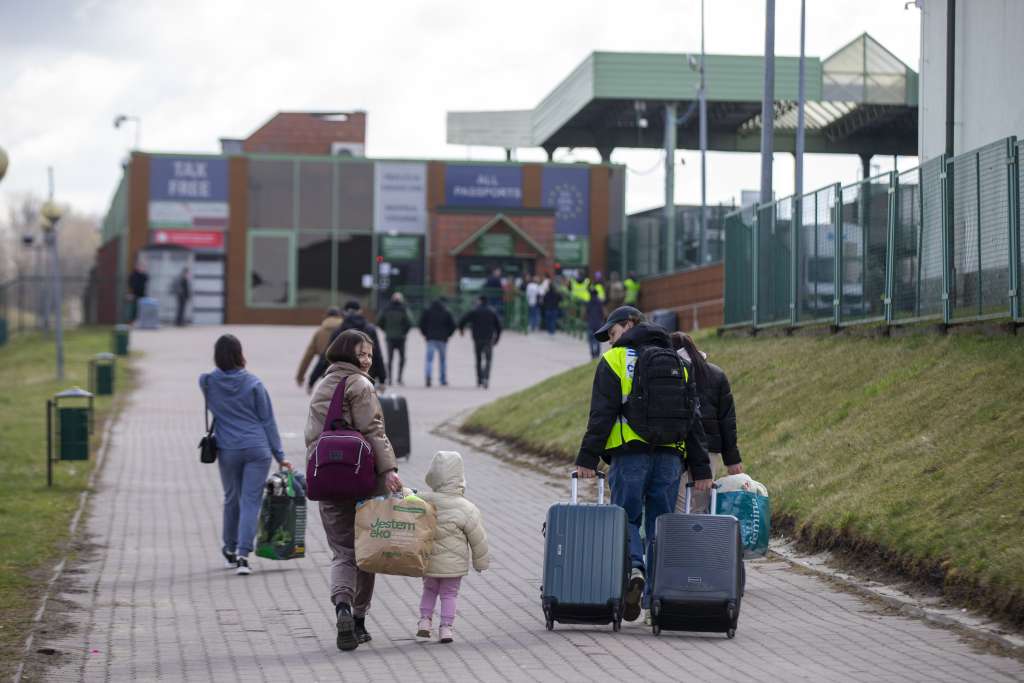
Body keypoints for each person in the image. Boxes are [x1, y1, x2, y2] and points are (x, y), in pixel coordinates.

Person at [574, 306, 711, 622]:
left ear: (629, 325)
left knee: (626, 519)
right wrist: (701, 469)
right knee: (661, 525)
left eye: (612, 333)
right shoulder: (680, 362)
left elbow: (601, 416)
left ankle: (635, 568)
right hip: (669, 459)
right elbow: (693, 420)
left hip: (629, 455)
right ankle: (656, 598)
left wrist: (587, 459)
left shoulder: (614, 361)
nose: (610, 342)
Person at [305, 329, 402, 651]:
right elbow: (373, 429)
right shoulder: (361, 384)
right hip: (362, 481)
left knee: (342, 553)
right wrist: (388, 469)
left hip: (329, 480)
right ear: (347, 352)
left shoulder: (322, 385)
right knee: (365, 552)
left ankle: (341, 607)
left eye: (370, 355)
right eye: (362, 354)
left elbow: (313, 436)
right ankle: (358, 620)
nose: (367, 360)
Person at [200, 334, 292, 576]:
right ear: (240, 354)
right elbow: (267, 420)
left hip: (227, 449)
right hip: (256, 449)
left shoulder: (207, 382)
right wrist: (280, 455)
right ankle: (243, 555)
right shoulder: (254, 384)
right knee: (250, 500)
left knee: (231, 498)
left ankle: (229, 549)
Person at [415, 451, 490, 644]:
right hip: (453, 565)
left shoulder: (424, 500)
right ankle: (446, 628)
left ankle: (424, 622)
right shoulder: (467, 508)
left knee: (429, 590)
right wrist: (480, 562)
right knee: (449, 594)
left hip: (428, 560)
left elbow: (406, 499)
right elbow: (478, 537)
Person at [671, 332, 744, 513]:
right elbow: (727, 421)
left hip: (677, 448)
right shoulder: (716, 374)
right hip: (709, 450)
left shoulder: (672, 373)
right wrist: (732, 460)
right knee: (701, 506)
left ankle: (677, 540)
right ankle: (700, 540)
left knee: (677, 507)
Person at [311, 301, 387, 387]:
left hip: (342, 378)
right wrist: (382, 379)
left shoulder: (339, 330)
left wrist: (312, 380)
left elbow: (326, 356)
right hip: (366, 376)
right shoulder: (370, 330)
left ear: (344, 312)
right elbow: (377, 355)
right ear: (360, 311)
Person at [296, 307, 344, 393]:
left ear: (326, 317)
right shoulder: (346, 330)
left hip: (325, 371)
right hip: (344, 371)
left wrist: (300, 376)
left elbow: (308, 356)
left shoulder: (319, 332)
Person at [458, 295, 502, 389]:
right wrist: (497, 338)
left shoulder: (475, 311)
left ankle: (479, 379)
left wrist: (461, 330)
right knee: (488, 360)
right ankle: (486, 378)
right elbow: (498, 326)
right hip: (488, 339)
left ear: (479, 301)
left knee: (478, 360)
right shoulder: (492, 312)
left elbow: (463, 320)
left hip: (477, 338)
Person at [419, 298, 456, 387]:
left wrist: (425, 334)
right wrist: (448, 335)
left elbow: (421, 324)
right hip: (442, 339)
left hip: (431, 338)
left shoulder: (427, 311)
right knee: (443, 360)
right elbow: (453, 326)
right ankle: (443, 379)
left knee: (429, 360)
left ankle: (428, 376)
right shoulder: (446, 312)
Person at [378, 292, 413, 385]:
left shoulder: (386, 309)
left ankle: (390, 379)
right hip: (401, 338)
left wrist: (386, 330)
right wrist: (404, 332)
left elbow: (379, 322)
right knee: (402, 358)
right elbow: (410, 323)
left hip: (390, 338)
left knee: (390, 359)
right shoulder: (404, 309)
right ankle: (399, 378)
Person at [584, 288, 605, 359]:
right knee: (598, 340)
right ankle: (597, 353)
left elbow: (585, 314)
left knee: (591, 340)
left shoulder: (588, 303)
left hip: (590, 323)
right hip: (598, 323)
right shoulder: (600, 303)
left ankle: (592, 354)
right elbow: (602, 314)